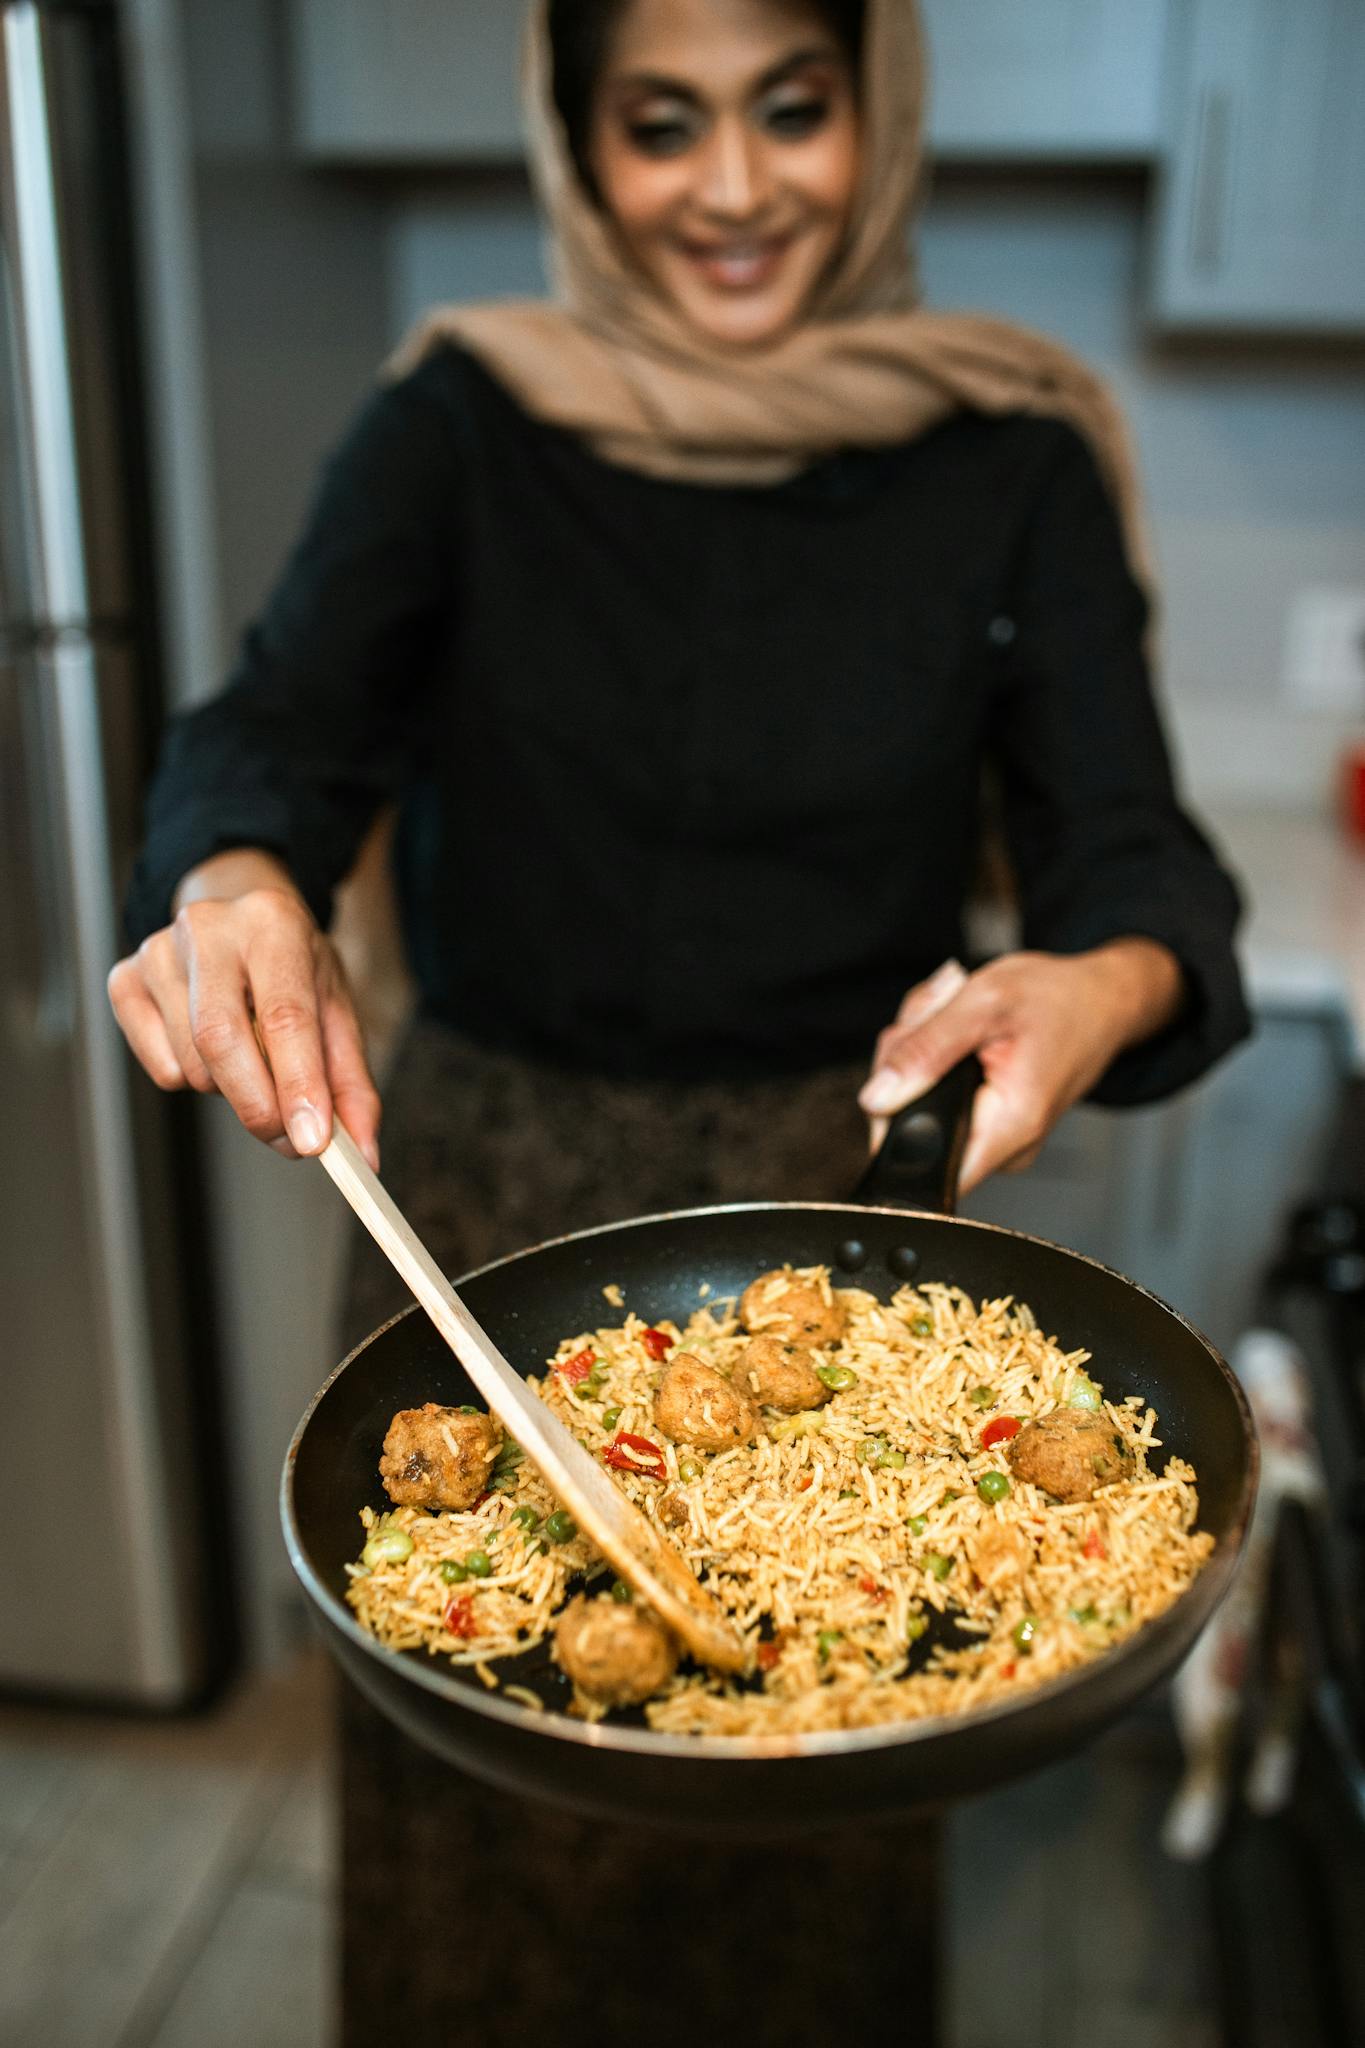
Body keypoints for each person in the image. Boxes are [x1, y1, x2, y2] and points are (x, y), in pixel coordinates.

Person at [109, 1, 1250, 2035]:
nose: (732, 188)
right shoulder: (460, 422)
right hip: (482, 1216)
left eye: (790, 111)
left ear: (874, 113)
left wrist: (1089, 978)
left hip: (841, 1220)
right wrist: (234, 884)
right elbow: (267, 733)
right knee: (486, 1858)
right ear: (576, 142)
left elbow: (1137, 866)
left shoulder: (1003, 458)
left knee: (804, 1843)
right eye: (659, 124)